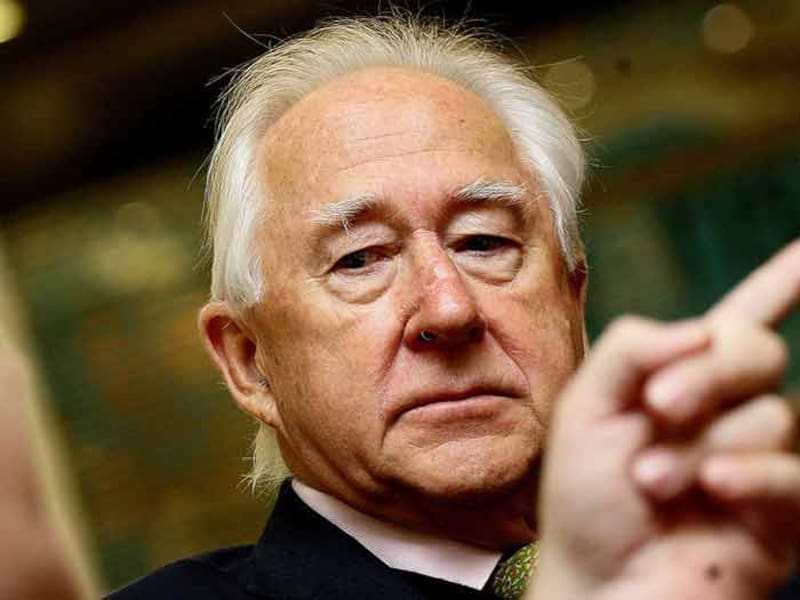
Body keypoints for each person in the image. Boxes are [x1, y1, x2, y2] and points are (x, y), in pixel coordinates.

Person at [108, 14, 800, 599]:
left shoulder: (755, 559)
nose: (448, 309)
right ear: (249, 362)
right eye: (360, 259)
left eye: (484, 242)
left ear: (572, 297)